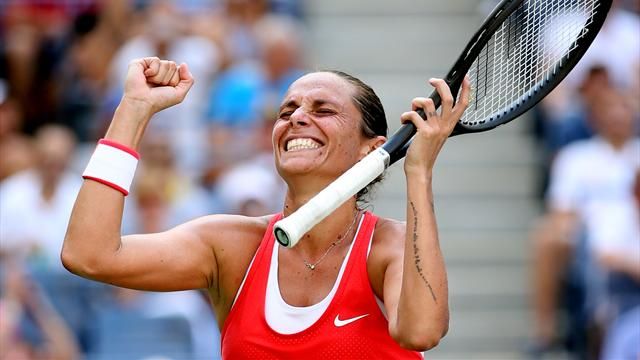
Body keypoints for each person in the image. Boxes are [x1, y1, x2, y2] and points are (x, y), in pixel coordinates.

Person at [62, 57, 471, 358]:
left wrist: (419, 172)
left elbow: (420, 333)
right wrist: (133, 108)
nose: (297, 119)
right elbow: (89, 254)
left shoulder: (389, 246)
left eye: (323, 110)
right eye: (287, 111)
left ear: (372, 151)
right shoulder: (230, 246)